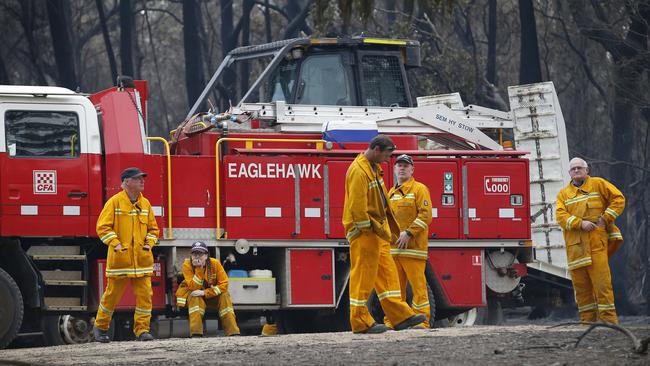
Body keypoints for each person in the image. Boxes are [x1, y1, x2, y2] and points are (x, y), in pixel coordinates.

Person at [343, 134, 426, 334]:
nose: (389, 161)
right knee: (363, 278)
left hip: (377, 232)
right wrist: (369, 231)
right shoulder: (358, 171)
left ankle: (400, 316)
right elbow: (358, 210)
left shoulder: (372, 168)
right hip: (365, 233)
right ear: (376, 149)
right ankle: (360, 322)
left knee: (388, 276)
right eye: (388, 155)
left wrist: (383, 231)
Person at [93, 167, 159, 342]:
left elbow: (154, 229)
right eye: (138, 179)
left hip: (142, 260)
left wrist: (148, 244)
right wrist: (116, 244)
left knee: (145, 297)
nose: (142, 181)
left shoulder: (145, 204)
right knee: (112, 296)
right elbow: (102, 227)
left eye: (142, 178)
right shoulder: (114, 202)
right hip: (121, 260)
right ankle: (100, 327)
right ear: (126, 182)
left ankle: (142, 331)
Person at [556, 157, 625, 324]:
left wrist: (606, 218)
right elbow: (560, 216)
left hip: (596, 246)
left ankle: (609, 323)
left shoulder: (598, 184)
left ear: (587, 170)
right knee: (582, 290)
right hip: (576, 250)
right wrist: (581, 223)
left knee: (602, 286)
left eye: (580, 168)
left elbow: (619, 199)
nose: (577, 171)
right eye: (573, 169)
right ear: (569, 174)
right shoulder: (563, 194)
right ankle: (587, 323)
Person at [384, 154, 432, 328]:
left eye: (406, 166)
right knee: (395, 290)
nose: (402, 168)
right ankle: (395, 320)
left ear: (412, 170)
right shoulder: (391, 192)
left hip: (413, 250)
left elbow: (426, 215)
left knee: (418, 288)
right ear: (394, 169)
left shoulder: (419, 189)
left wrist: (409, 233)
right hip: (394, 251)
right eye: (399, 165)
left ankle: (423, 322)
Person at [175, 241, 241, 337]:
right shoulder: (187, 265)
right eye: (194, 253)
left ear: (206, 256)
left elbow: (224, 284)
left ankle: (233, 333)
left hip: (210, 295)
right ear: (191, 255)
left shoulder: (215, 263)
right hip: (196, 296)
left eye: (200, 253)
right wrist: (199, 269)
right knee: (195, 297)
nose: (197, 256)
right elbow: (194, 288)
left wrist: (204, 292)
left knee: (225, 295)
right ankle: (196, 334)